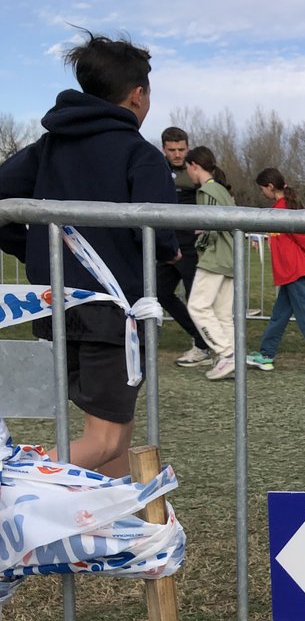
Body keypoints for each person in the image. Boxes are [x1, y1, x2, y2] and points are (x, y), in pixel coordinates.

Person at [0, 31, 178, 477]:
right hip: (110, 312)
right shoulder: (141, 155)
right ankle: (14, 485)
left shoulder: (47, 149)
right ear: (138, 96)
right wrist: (171, 253)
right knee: (106, 438)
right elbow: (162, 238)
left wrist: (36, 253)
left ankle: (111, 529)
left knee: (115, 430)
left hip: (54, 305)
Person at [246, 167, 305, 375]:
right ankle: (267, 354)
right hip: (290, 273)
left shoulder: (284, 209)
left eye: (262, 189)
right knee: (279, 316)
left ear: (270, 187)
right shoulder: (283, 207)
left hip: (296, 272)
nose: (262, 192)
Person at [157, 127, 212, 367]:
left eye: (181, 149)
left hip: (191, 249)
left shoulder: (195, 172)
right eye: (172, 150)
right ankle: (202, 341)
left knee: (196, 301)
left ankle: (206, 347)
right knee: (160, 293)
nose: (177, 154)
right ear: (164, 149)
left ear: (187, 148)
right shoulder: (156, 171)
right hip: (167, 247)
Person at [184, 146, 238, 381]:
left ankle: (225, 354)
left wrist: (201, 245)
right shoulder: (222, 190)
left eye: (188, 169)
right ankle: (230, 358)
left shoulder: (207, 191)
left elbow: (210, 226)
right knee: (222, 313)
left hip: (215, 257)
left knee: (197, 306)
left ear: (194, 165)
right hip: (230, 257)